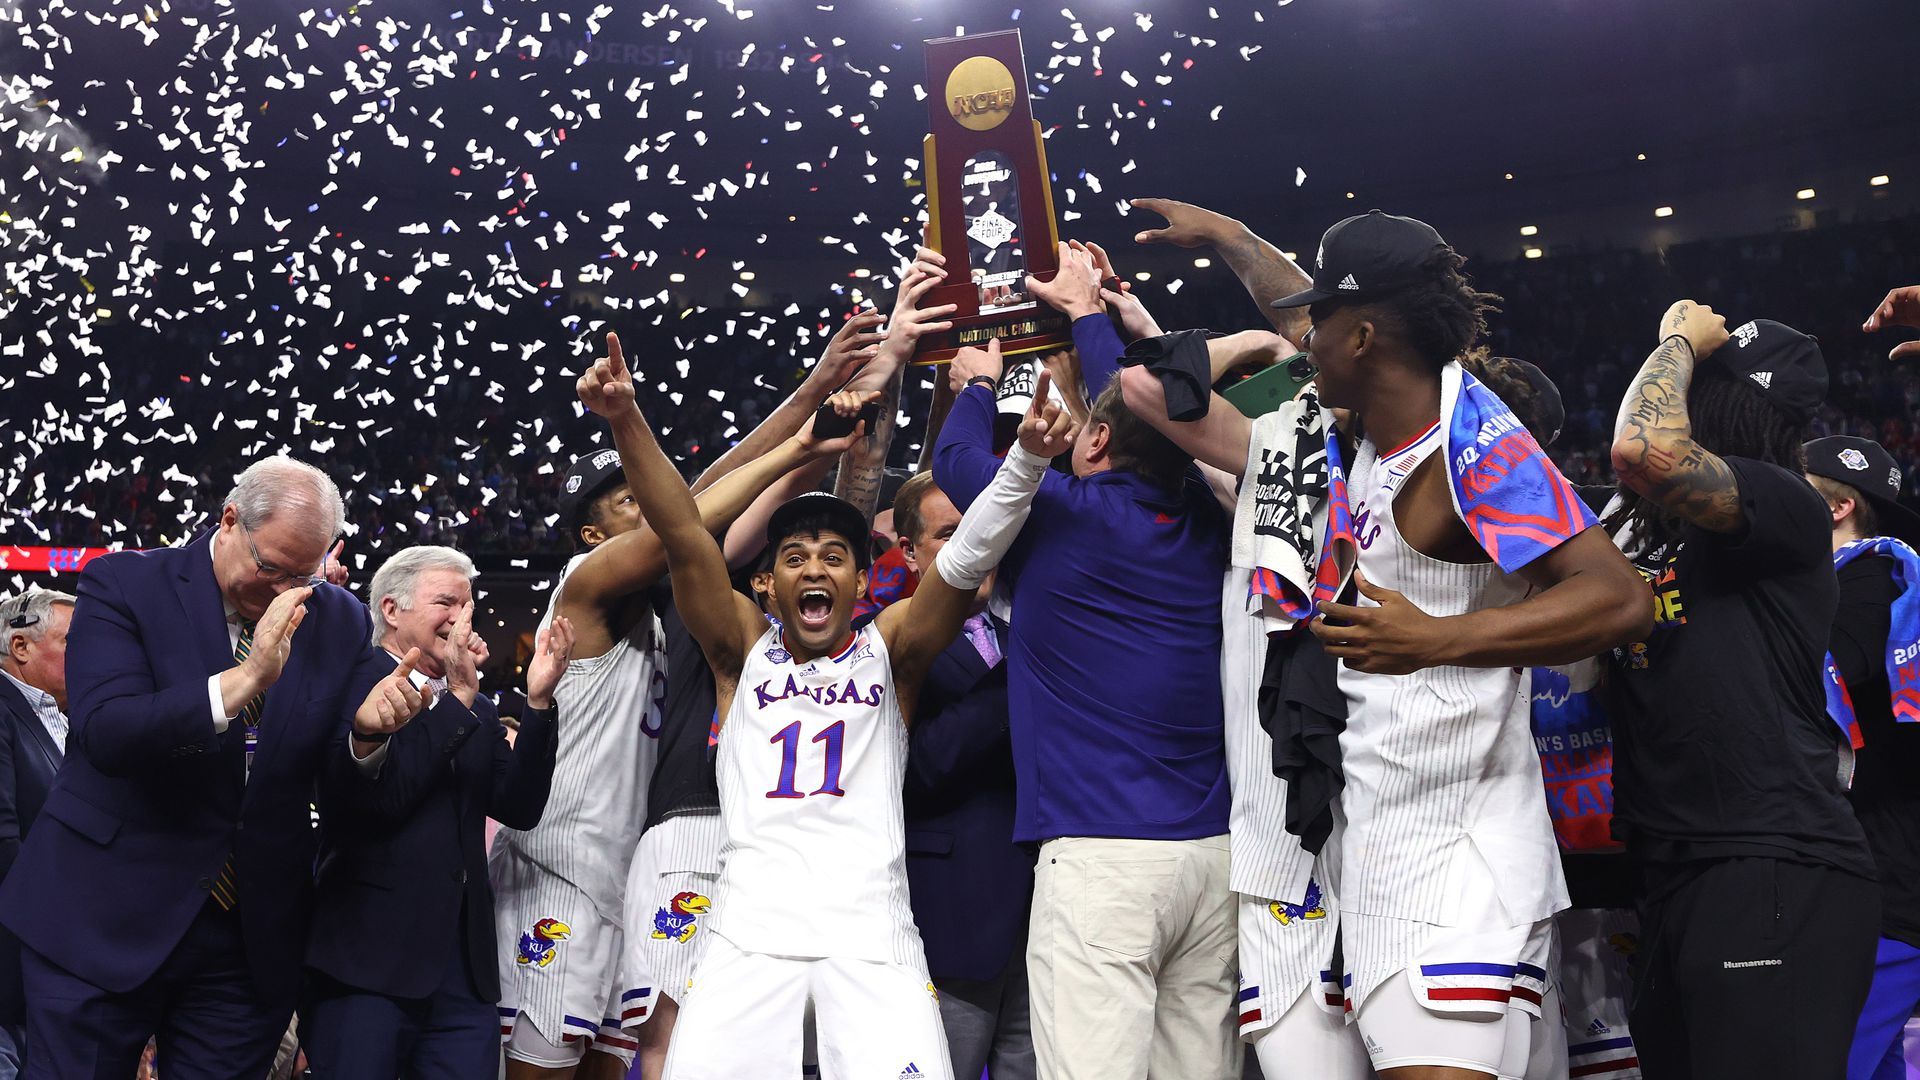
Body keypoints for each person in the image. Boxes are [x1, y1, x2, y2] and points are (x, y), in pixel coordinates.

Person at [576, 326, 1068, 1079]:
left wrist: (1027, 462)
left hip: (870, 934)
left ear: (860, 581)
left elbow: (967, 557)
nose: (815, 568)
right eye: (795, 557)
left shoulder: (891, 649)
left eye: (835, 556)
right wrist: (626, 419)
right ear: (766, 583)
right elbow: (680, 530)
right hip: (748, 935)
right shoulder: (741, 648)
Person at [1274, 210, 1648, 1080]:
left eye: (1320, 321)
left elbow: (1620, 596)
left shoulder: (1468, 443)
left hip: (1445, 862)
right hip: (1427, 847)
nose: (1305, 341)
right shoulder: (1383, 433)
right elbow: (1295, 317)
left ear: (1363, 336)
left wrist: (1438, 638)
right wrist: (1226, 237)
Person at [491, 312, 884, 1080]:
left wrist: (813, 392)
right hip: (557, 865)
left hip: (619, 873)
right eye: (624, 503)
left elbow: (697, 498)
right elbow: (688, 515)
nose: (645, 504)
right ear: (591, 535)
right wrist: (801, 444)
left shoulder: (663, 610)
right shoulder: (585, 586)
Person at [0, 456, 425, 1079]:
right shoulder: (124, 583)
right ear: (229, 521)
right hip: (104, 913)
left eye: (302, 574)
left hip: (248, 938)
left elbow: (335, 777)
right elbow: (107, 732)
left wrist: (366, 735)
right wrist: (245, 679)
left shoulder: (337, 617)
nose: (283, 591)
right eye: (271, 567)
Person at [935, 238, 1242, 1080]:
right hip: (1211, 860)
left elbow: (956, 466)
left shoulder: (1059, 513)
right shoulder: (1210, 520)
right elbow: (1147, 420)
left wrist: (976, 385)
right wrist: (1083, 313)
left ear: (1097, 440)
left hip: (1102, 861)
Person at [1605, 308, 1878, 1078]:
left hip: (1771, 861)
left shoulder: (1785, 502)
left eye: (1699, 381)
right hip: (1674, 869)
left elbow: (1642, 451)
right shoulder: (1648, 529)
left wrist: (1678, 341)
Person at [302, 545, 565, 1078]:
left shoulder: (475, 705)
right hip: (367, 965)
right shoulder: (351, 682)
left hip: (463, 974)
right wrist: (459, 699)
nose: (461, 618)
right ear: (392, 609)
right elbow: (382, 802)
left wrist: (538, 704)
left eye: (467, 606)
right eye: (446, 602)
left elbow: (519, 806)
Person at [891, 469, 1036, 1080]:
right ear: (909, 551)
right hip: (952, 918)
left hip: (1051, 920)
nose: (976, 544)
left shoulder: (1025, 631)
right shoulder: (887, 643)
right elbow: (918, 767)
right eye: (952, 534)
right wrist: (1028, 665)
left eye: (984, 527)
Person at [1801, 435, 1920, 1080]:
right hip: (1877, 874)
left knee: (1821, 1061)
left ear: (1838, 507)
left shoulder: (1871, 582)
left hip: (1884, 884)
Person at [0, 589, 73, 1079]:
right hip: (18, 964)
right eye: (73, 642)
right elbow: (3, 844)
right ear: (21, 646)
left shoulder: (63, 717)